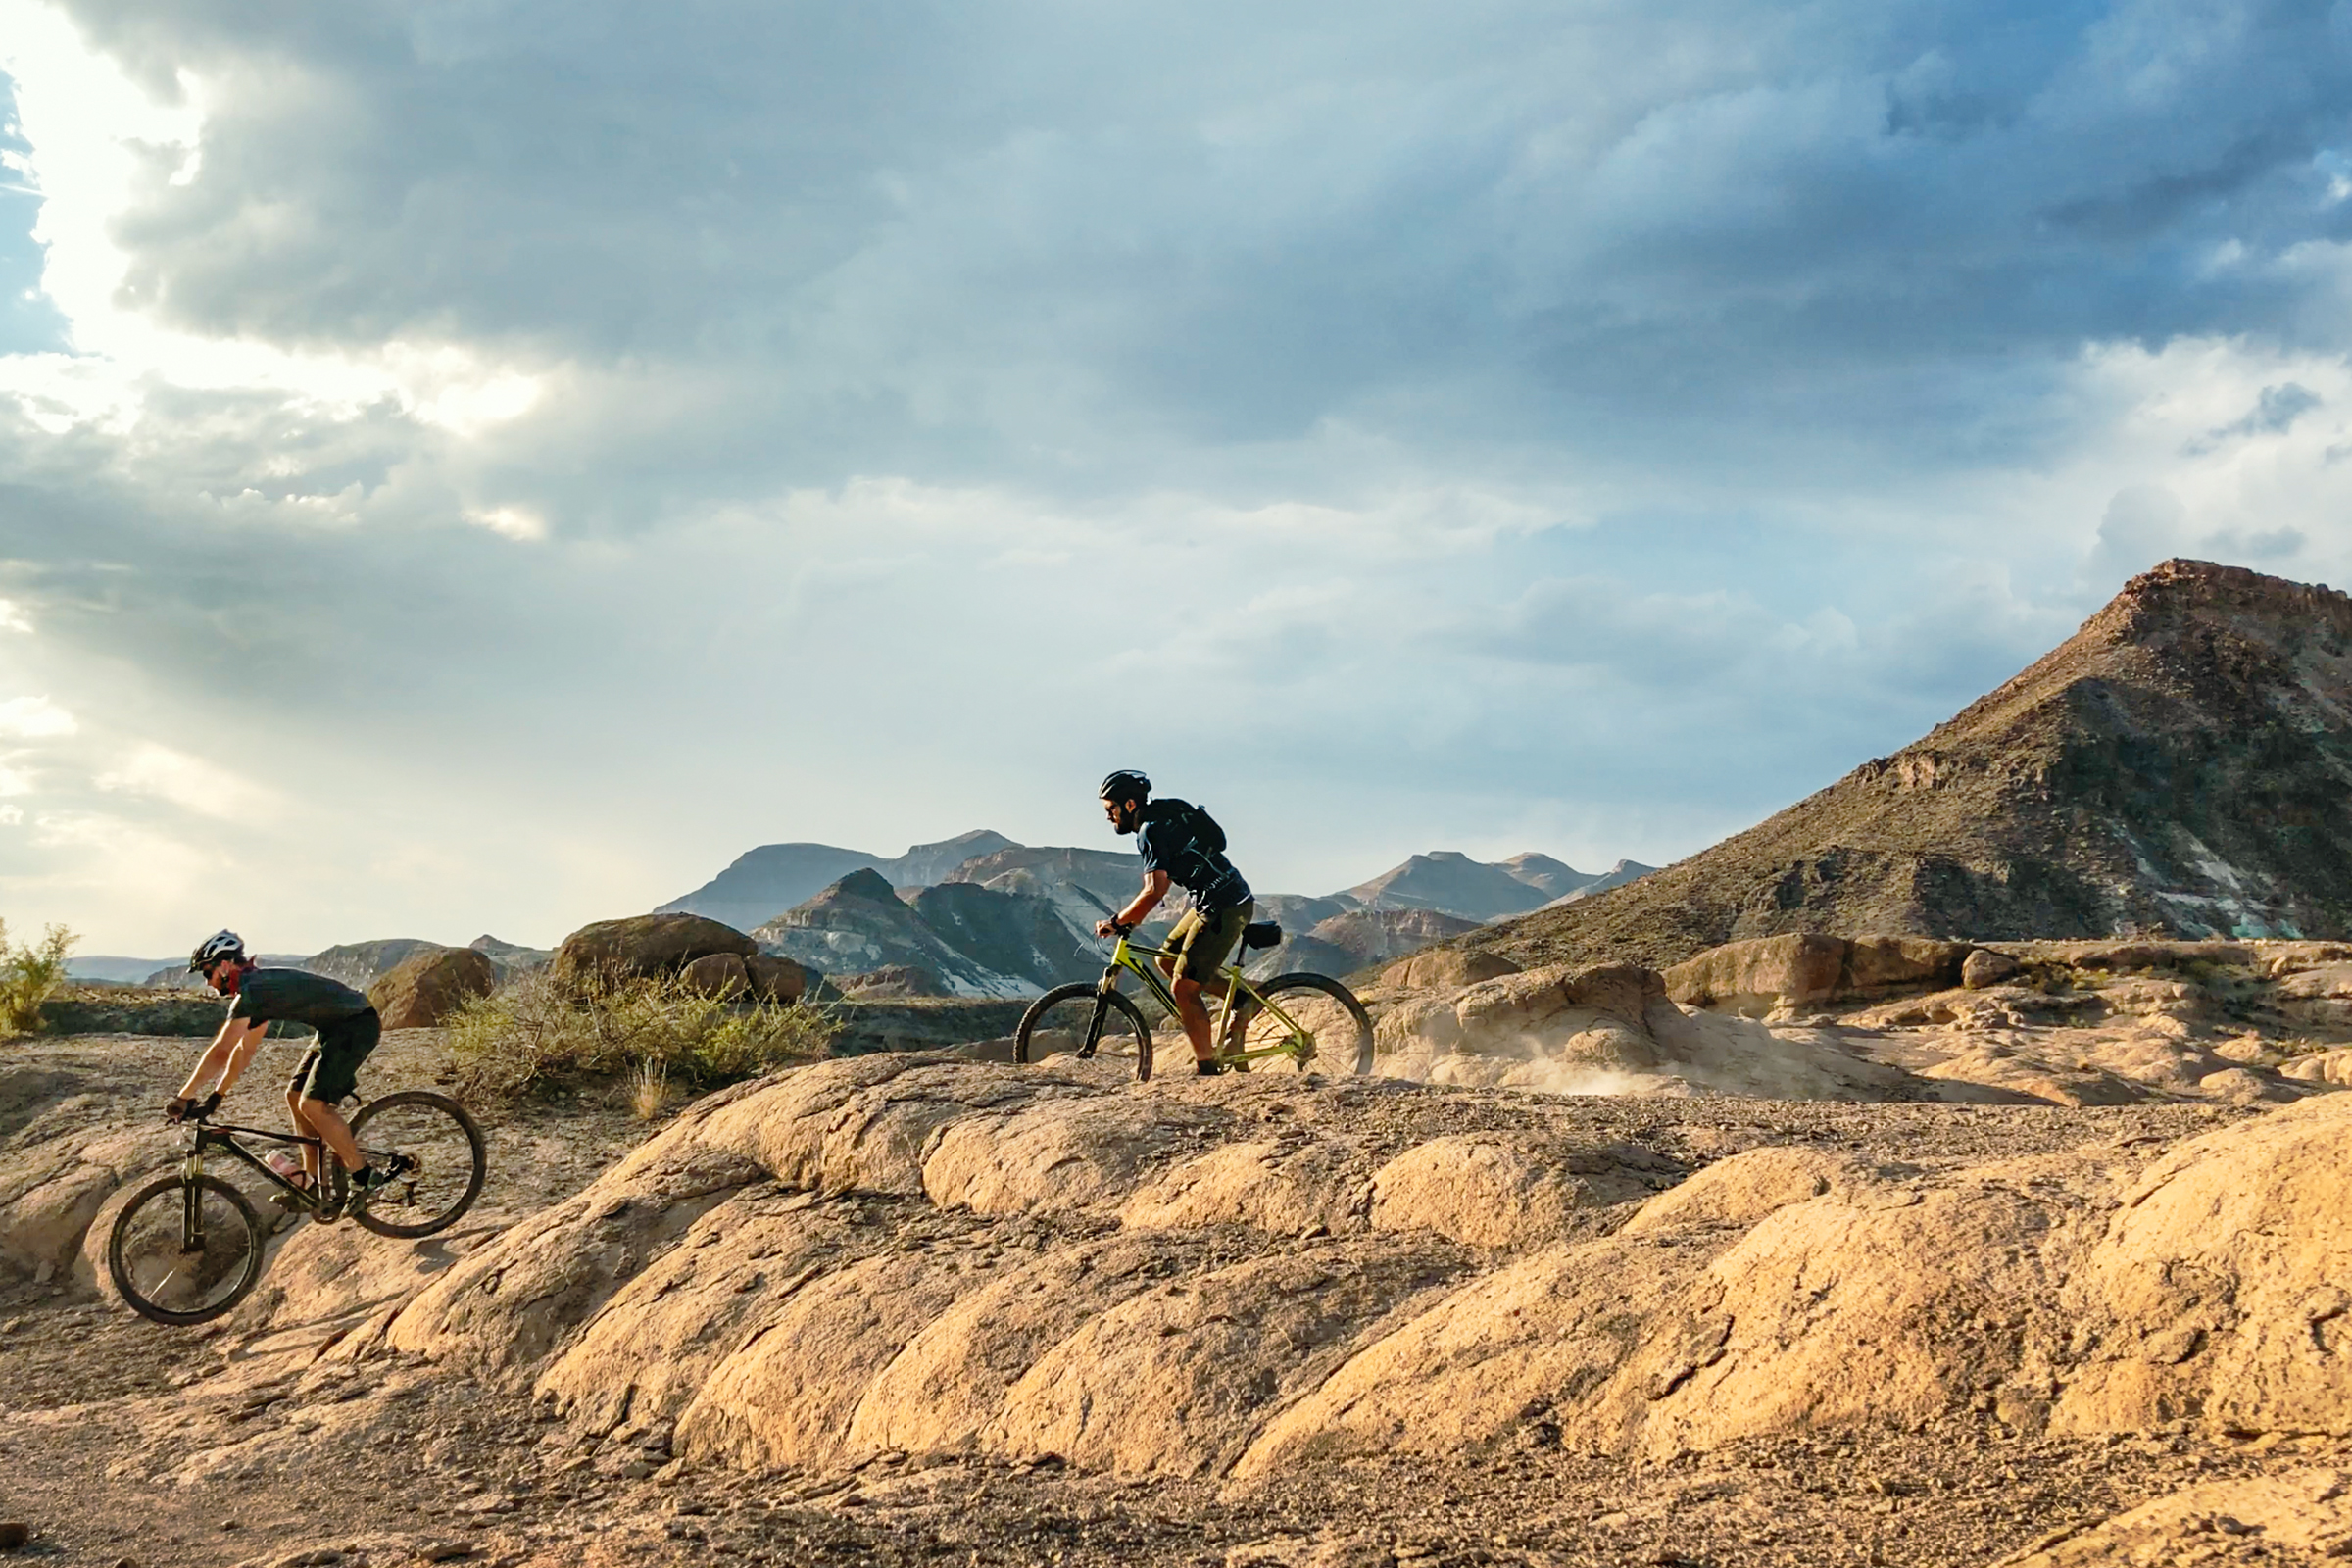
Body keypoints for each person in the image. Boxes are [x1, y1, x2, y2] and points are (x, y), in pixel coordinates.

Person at [167, 929, 400, 1215]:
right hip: (334, 1028)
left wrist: (183, 1097)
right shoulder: (255, 990)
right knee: (294, 1096)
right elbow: (243, 1051)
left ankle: (364, 1176)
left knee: (313, 1104)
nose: (208, 983)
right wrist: (217, 1096)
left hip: (355, 1025)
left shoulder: (253, 991)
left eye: (207, 973)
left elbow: (221, 1050)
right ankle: (312, 1184)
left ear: (225, 966)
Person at [1093, 770, 1255, 1075]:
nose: (1108, 817)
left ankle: (1208, 1067)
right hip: (1219, 897)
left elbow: (1155, 890)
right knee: (1167, 962)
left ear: (1129, 805)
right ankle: (1243, 1000)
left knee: (1183, 987)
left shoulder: (1150, 830)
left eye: (1110, 809)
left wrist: (1118, 922)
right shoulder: (1163, 813)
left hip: (1225, 905)